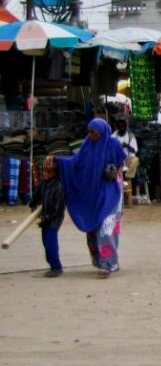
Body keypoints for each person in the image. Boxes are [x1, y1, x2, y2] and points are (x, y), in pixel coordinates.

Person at [57, 118, 127, 277]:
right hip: (93, 192)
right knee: (93, 228)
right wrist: (59, 162)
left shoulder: (113, 144)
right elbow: (76, 163)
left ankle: (109, 264)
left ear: (102, 132)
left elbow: (121, 163)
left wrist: (115, 173)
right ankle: (99, 260)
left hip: (110, 191)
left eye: (94, 132)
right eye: (89, 131)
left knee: (106, 228)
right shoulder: (87, 145)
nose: (91, 135)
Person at [29, 155, 65, 278]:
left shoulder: (58, 186)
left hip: (55, 219)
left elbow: (57, 208)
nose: (45, 174)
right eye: (44, 171)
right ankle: (52, 265)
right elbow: (36, 195)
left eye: (48, 171)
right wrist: (33, 205)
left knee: (50, 241)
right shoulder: (43, 184)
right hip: (45, 217)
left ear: (55, 173)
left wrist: (48, 217)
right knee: (45, 241)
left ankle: (56, 267)